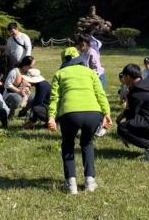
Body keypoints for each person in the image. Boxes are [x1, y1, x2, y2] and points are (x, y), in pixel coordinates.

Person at [48, 47, 111, 194]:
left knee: (68, 145)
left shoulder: (59, 74)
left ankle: (71, 185)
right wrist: (107, 113)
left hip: (69, 114)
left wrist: (51, 117)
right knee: (87, 143)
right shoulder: (90, 72)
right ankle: (90, 182)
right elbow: (100, 94)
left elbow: (55, 98)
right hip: (93, 113)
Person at [116, 64, 149, 162]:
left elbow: (131, 115)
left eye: (123, 76)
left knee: (123, 128)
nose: (123, 79)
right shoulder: (147, 84)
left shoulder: (136, 92)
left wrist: (125, 134)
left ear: (128, 76)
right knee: (136, 123)